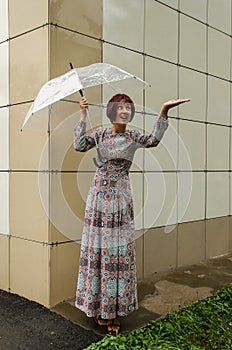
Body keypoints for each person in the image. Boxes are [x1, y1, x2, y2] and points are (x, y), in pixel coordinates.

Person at [74, 93, 190, 335]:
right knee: (99, 251)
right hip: (98, 199)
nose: (125, 111)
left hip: (121, 198)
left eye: (128, 108)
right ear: (112, 110)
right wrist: (83, 114)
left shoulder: (133, 136)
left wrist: (164, 110)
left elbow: (154, 140)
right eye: (120, 107)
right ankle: (98, 308)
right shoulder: (101, 134)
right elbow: (79, 145)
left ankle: (115, 311)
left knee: (117, 253)